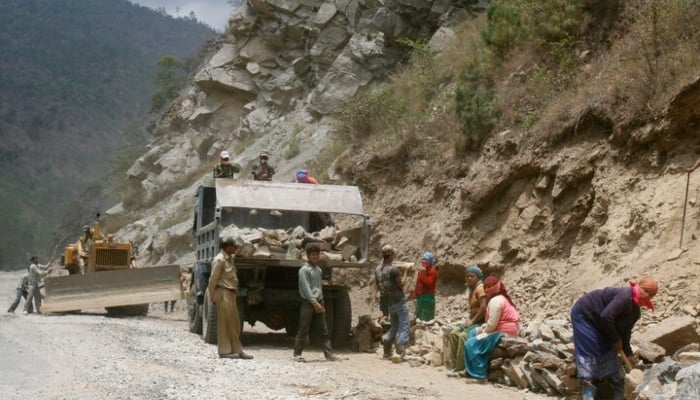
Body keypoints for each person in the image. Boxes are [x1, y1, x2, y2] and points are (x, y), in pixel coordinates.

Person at [570, 278, 657, 400]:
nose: (648, 296)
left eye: (652, 295)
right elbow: (606, 316)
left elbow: (625, 333)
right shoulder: (625, 296)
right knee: (590, 352)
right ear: (638, 287)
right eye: (646, 291)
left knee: (609, 349)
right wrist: (616, 339)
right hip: (585, 316)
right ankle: (588, 391)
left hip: (601, 323)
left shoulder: (635, 313)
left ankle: (619, 395)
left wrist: (629, 353)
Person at [463, 275, 520, 379]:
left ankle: (479, 374)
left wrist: (483, 330)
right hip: (504, 330)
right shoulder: (500, 298)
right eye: (486, 287)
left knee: (470, 344)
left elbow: (492, 325)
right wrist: (483, 327)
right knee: (472, 333)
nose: (487, 289)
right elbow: (493, 321)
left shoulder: (496, 301)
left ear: (496, 286)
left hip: (503, 333)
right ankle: (469, 370)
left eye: (490, 286)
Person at [207, 237, 253, 359]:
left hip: (231, 293)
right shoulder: (219, 260)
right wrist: (212, 297)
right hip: (223, 293)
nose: (236, 248)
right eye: (233, 246)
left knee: (235, 323)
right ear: (226, 247)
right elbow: (212, 280)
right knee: (225, 323)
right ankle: (224, 351)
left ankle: (237, 350)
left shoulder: (230, 259)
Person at [293, 245, 339, 362]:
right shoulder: (304, 270)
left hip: (319, 302)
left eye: (317, 254)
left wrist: (320, 302)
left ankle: (329, 355)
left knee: (324, 329)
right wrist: (314, 303)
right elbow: (306, 288)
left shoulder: (318, 270)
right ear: (308, 256)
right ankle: (297, 354)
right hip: (308, 303)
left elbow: (319, 287)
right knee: (303, 328)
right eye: (312, 254)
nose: (315, 256)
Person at [447, 265, 486, 376]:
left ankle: (461, 368)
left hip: (481, 322)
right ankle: (455, 365)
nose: (469, 278)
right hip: (473, 319)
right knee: (454, 333)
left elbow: (483, 307)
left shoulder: (480, 287)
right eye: (467, 276)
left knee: (463, 336)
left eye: (472, 276)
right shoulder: (471, 289)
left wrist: (472, 321)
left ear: (477, 277)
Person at [377, 245, 410, 359]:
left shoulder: (378, 270)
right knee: (404, 326)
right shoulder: (393, 269)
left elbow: (378, 287)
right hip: (399, 301)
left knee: (394, 326)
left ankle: (387, 348)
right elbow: (401, 284)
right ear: (390, 255)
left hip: (389, 303)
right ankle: (400, 351)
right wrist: (406, 273)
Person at [411, 251, 438, 323]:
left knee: (426, 315)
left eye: (425, 259)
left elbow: (429, 284)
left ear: (429, 261)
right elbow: (418, 283)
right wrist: (415, 293)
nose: (423, 261)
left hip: (428, 296)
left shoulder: (432, 271)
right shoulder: (421, 271)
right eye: (423, 259)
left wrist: (423, 274)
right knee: (419, 313)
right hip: (420, 295)